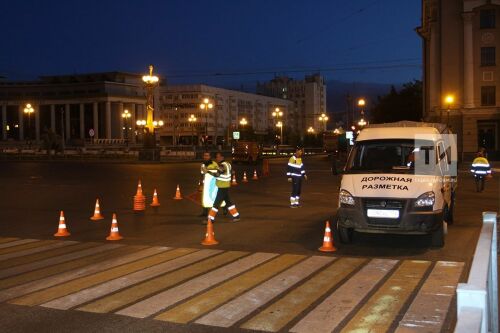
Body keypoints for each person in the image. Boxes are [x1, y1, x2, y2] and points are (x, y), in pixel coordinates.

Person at [207, 152, 241, 223]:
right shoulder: (228, 164)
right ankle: (236, 216)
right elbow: (232, 172)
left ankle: (210, 219)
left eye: (218, 157)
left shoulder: (222, 165)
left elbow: (217, 175)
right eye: (216, 157)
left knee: (216, 204)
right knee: (228, 203)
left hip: (222, 187)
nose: (217, 158)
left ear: (222, 157)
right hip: (226, 186)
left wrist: (208, 172)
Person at [200, 152, 218, 217]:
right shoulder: (203, 164)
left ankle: (212, 213)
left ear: (210, 157)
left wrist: (208, 170)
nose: (205, 157)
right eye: (204, 155)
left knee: (211, 198)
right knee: (204, 198)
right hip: (205, 185)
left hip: (212, 184)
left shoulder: (214, 164)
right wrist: (201, 183)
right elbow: (202, 174)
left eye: (207, 156)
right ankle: (204, 212)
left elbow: (217, 173)